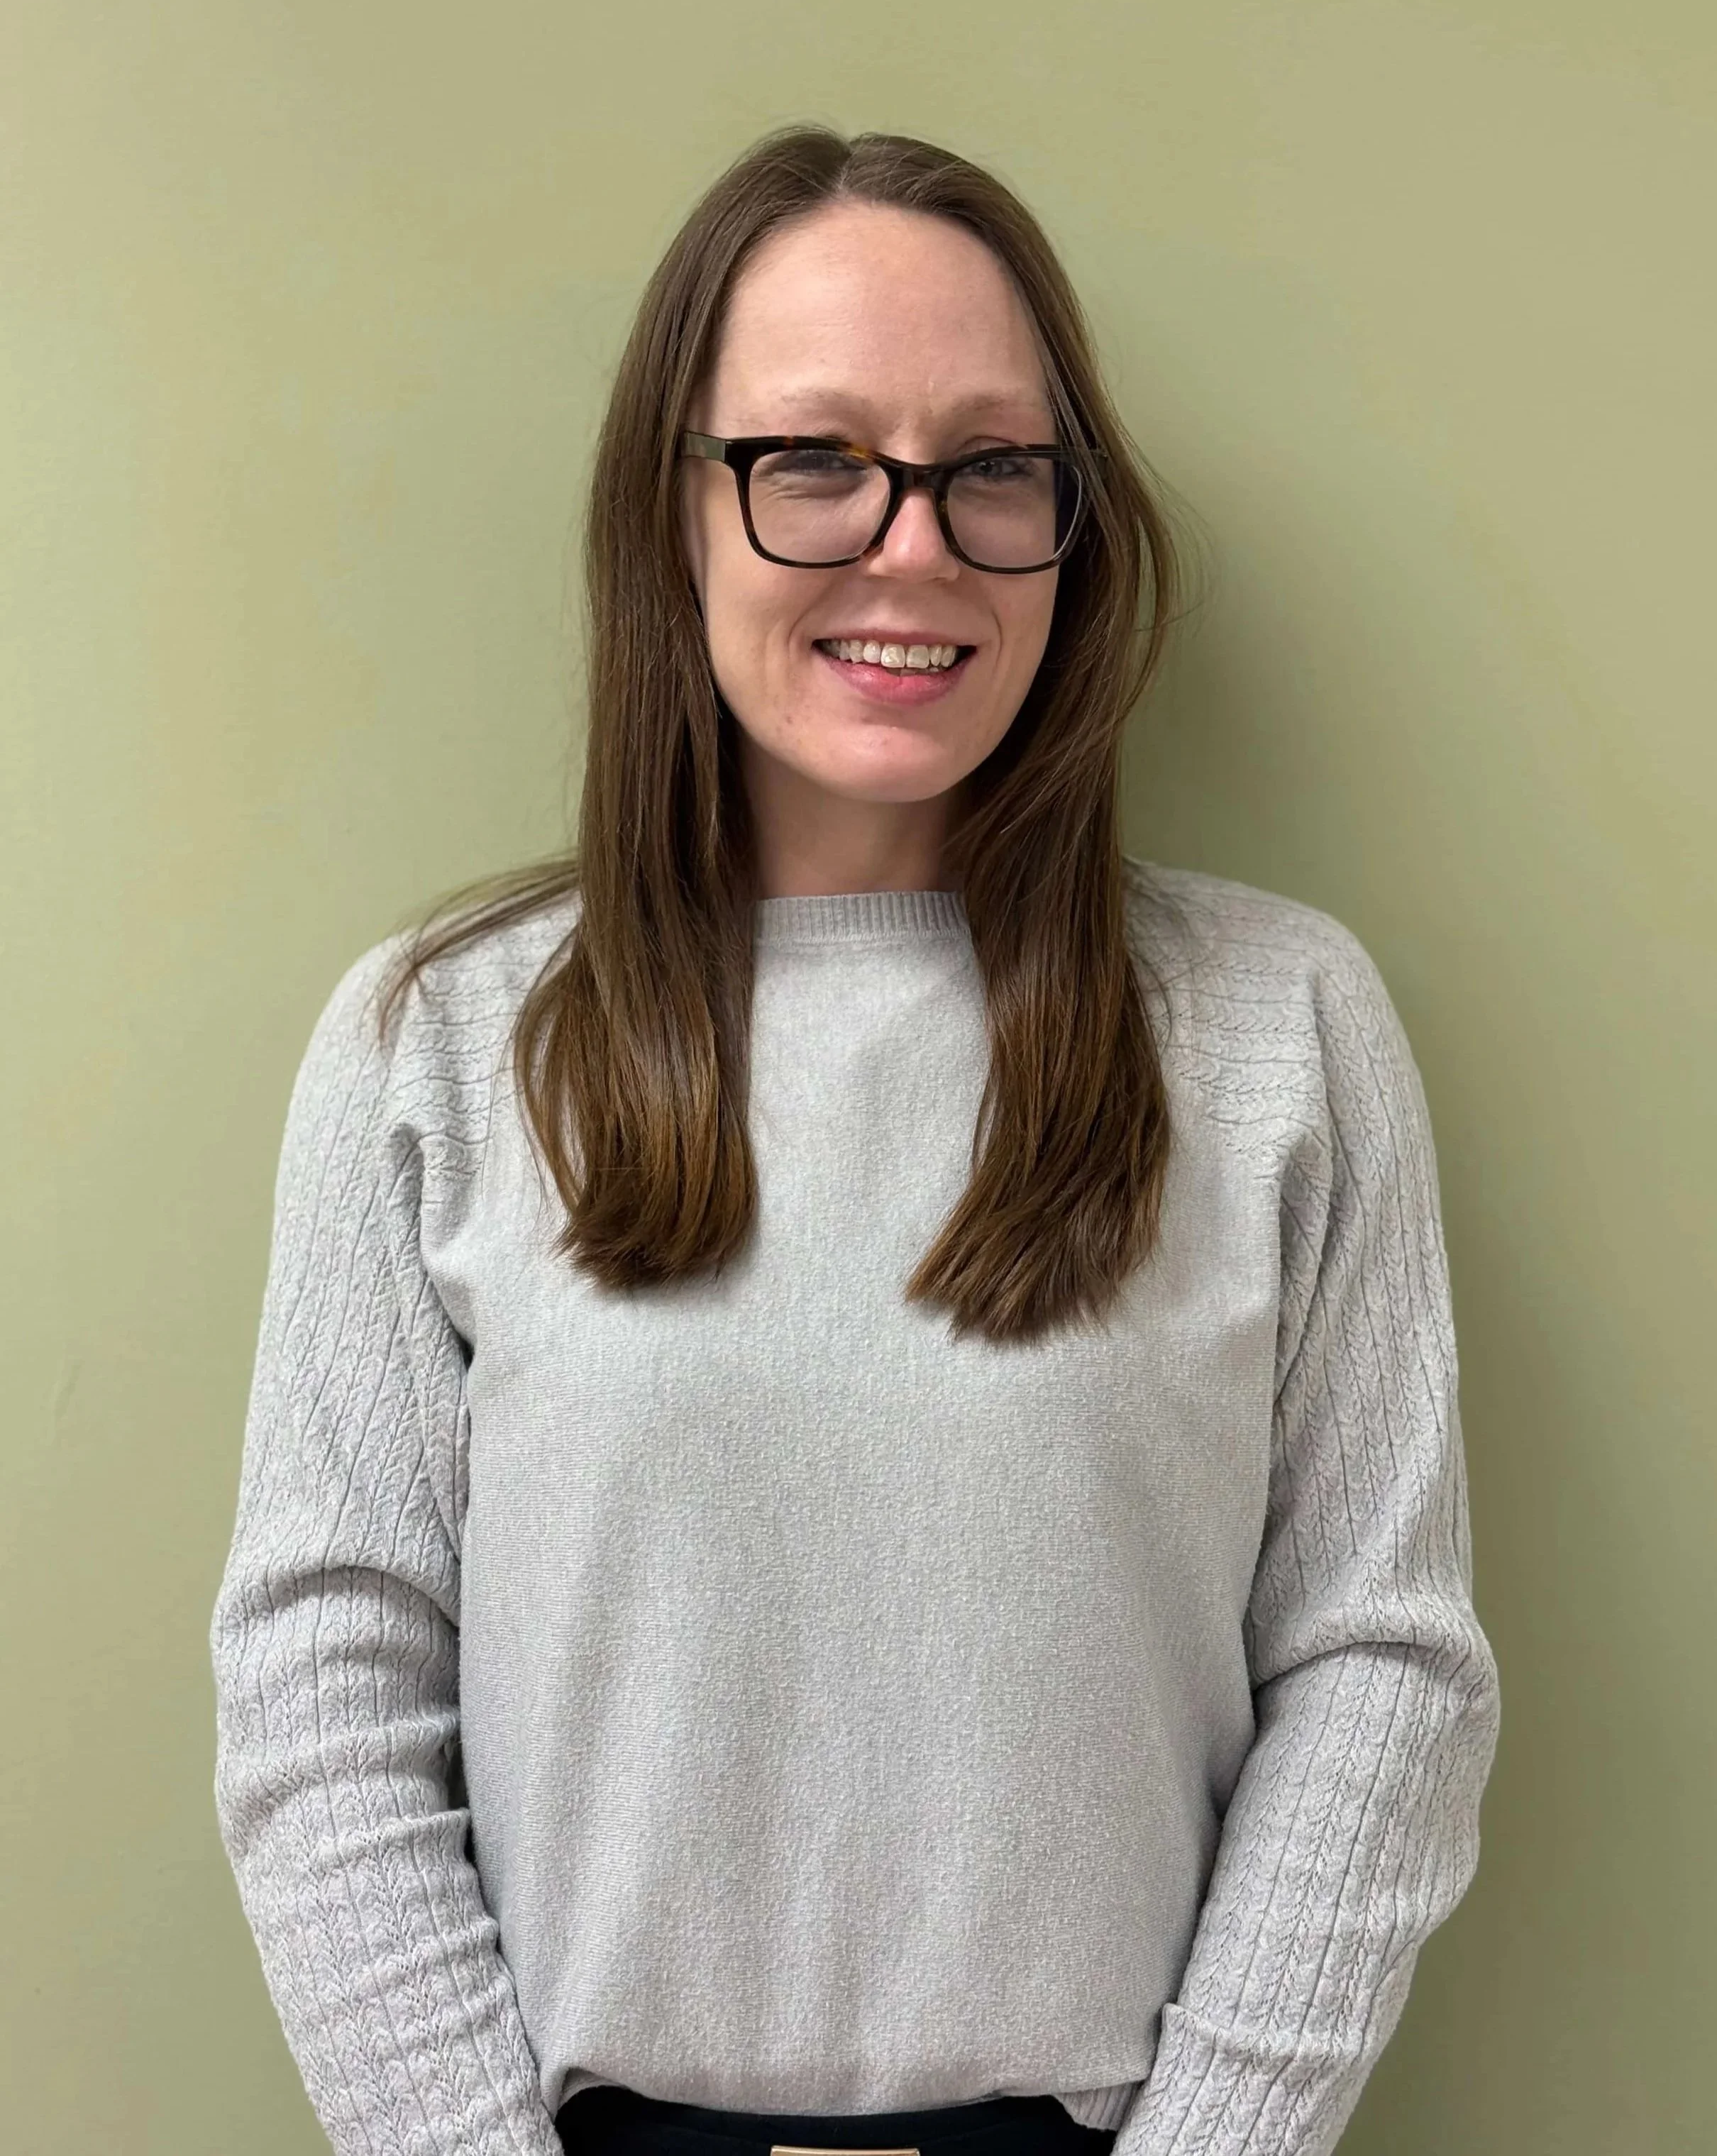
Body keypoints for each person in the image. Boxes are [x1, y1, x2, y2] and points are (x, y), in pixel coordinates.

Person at [211, 126, 1500, 2156]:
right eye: (811, 460)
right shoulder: (439, 1041)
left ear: (1070, 529)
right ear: (675, 510)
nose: (913, 547)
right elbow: (321, 1692)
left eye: (992, 467)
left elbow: (1381, 1660)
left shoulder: (1277, 1027)